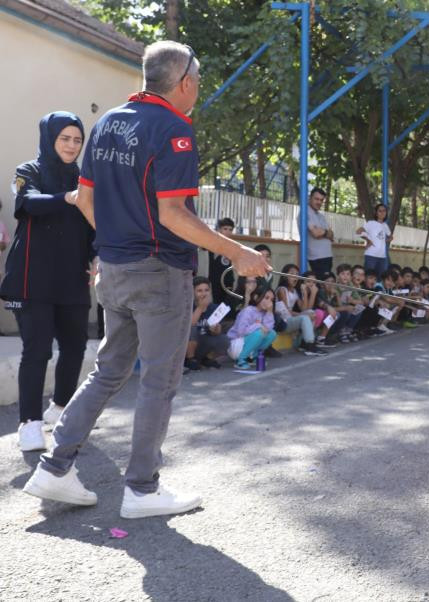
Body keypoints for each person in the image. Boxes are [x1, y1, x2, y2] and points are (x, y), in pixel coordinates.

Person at [23, 41, 271, 519]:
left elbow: (87, 201)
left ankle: (54, 469)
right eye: (197, 79)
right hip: (160, 274)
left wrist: (117, 246)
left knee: (108, 370)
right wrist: (237, 252)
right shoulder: (175, 128)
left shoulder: (107, 122)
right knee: (159, 380)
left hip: (113, 270)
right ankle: (141, 488)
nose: (198, 87)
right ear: (184, 82)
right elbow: (173, 213)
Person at [1, 111, 95, 452]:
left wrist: (97, 256)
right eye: (64, 138)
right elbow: (27, 204)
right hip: (32, 278)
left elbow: (93, 226)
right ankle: (29, 424)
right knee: (37, 350)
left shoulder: (85, 179)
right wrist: (68, 198)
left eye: (77, 140)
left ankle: (59, 409)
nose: (71, 145)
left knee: (74, 347)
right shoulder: (29, 171)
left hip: (72, 276)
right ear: (49, 138)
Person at [227, 285, 278, 369]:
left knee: (272, 333)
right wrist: (258, 326)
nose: (269, 302)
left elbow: (268, 328)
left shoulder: (264, 313)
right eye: (266, 298)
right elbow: (241, 331)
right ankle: (240, 360)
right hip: (236, 345)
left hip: (247, 343)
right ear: (256, 297)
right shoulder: (248, 311)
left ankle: (252, 356)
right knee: (259, 333)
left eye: (271, 300)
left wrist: (269, 312)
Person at [186, 276, 229, 371]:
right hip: (188, 345)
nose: (203, 294)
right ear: (193, 292)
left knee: (223, 339)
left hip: (203, 342)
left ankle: (206, 359)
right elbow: (190, 325)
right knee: (192, 329)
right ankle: (190, 359)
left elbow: (216, 333)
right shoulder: (188, 307)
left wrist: (216, 329)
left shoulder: (214, 308)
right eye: (199, 291)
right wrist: (200, 308)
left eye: (206, 290)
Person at [356, 203, 392, 278]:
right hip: (371, 255)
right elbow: (358, 231)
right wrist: (368, 240)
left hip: (382, 257)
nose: (382, 213)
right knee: (369, 277)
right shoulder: (371, 223)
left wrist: (384, 241)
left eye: (384, 211)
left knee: (381, 278)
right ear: (376, 213)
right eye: (380, 211)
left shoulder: (385, 225)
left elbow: (391, 237)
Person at [207, 217, 236, 307]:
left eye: (230, 229)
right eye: (225, 229)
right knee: (214, 306)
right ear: (219, 229)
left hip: (227, 282)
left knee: (226, 308)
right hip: (214, 281)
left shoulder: (233, 245)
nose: (228, 232)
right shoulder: (211, 243)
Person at [306, 187, 334, 277]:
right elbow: (316, 233)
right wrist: (326, 233)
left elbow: (332, 235)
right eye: (316, 199)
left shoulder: (321, 216)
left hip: (327, 256)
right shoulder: (305, 213)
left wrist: (324, 232)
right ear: (310, 198)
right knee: (322, 285)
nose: (319, 202)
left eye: (321, 200)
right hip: (317, 258)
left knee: (327, 285)